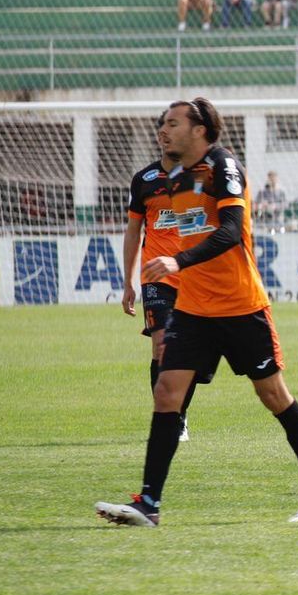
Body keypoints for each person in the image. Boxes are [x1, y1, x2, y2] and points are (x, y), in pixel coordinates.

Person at [95, 97, 298, 526]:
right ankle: (148, 504)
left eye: (173, 123)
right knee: (167, 393)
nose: (163, 129)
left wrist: (177, 262)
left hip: (241, 306)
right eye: (163, 123)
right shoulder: (174, 177)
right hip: (192, 308)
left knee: (274, 396)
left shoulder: (223, 167)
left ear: (200, 129)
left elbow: (228, 232)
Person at [121, 113, 197, 443]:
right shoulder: (144, 180)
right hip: (156, 277)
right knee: (162, 347)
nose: (166, 135)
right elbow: (133, 231)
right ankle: (169, 420)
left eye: (173, 129)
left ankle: (179, 413)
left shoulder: (199, 178)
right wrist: (128, 283)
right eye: (162, 130)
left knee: (190, 354)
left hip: (192, 276)